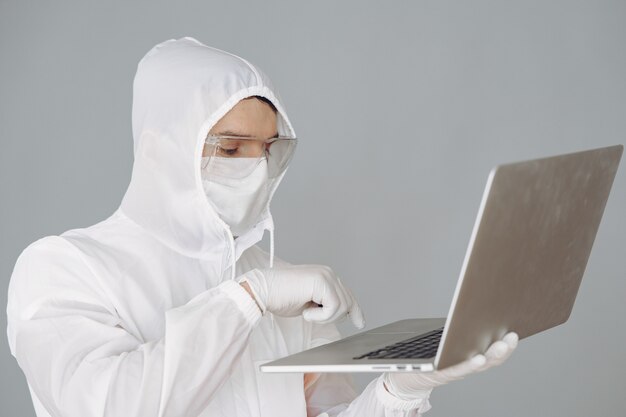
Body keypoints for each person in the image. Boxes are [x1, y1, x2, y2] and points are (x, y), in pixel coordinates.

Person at [6, 36, 517, 417]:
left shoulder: (278, 286)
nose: (254, 167)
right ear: (160, 150)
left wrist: (401, 391)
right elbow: (112, 406)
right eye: (230, 148)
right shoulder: (63, 269)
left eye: (268, 150)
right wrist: (248, 299)